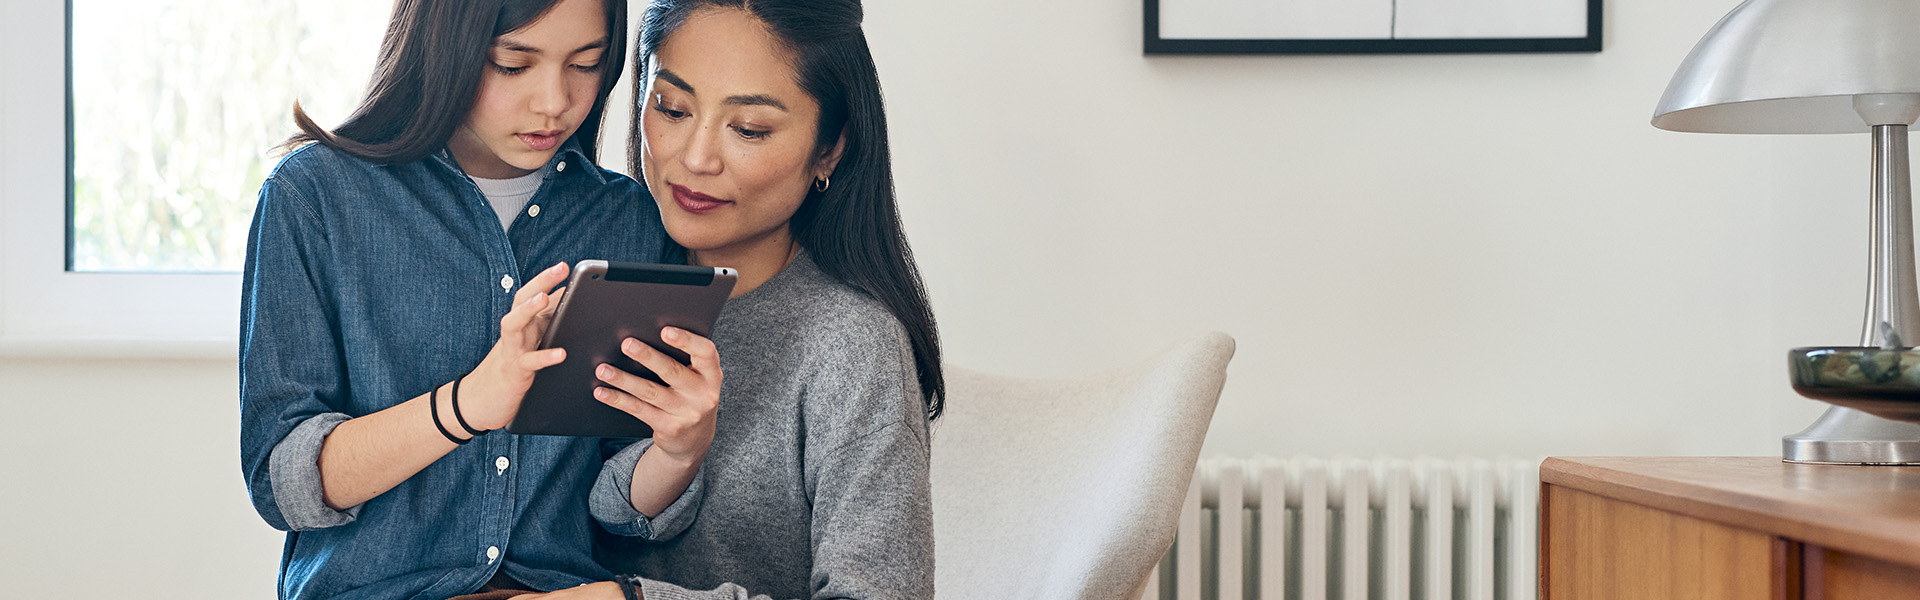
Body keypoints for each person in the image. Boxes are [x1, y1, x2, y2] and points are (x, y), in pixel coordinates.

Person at [237, 0, 723, 598]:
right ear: (442, 48)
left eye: (586, 64)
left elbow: (615, 509)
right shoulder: (313, 198)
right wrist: (468, 404)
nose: (554, 100)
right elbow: (284, 485)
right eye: (513, 64)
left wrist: (678, 452)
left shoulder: (630, 220)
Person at [584, 1, 944, 598]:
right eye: (671, 108)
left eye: (748, 129)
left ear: (829, 150)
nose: (695, 159)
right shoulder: (593, 280)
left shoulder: (852, 344)